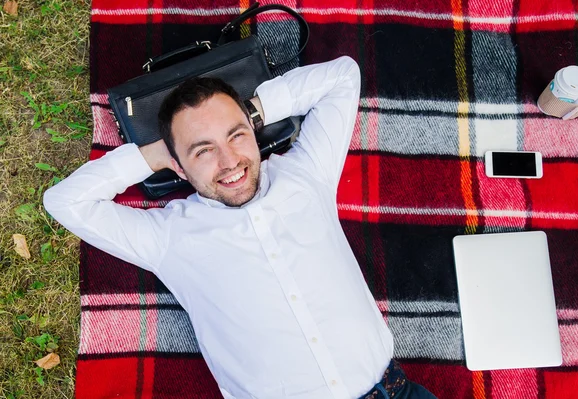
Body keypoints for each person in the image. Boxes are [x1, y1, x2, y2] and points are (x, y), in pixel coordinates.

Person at [44, 56, 436, 399]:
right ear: (178, 167)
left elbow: (342, 77)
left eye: (236, 136)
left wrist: (253, 110)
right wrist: (156, 152)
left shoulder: (305, 174)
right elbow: (65, 202)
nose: (230, 161)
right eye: (203, 150)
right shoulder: (167, 237)